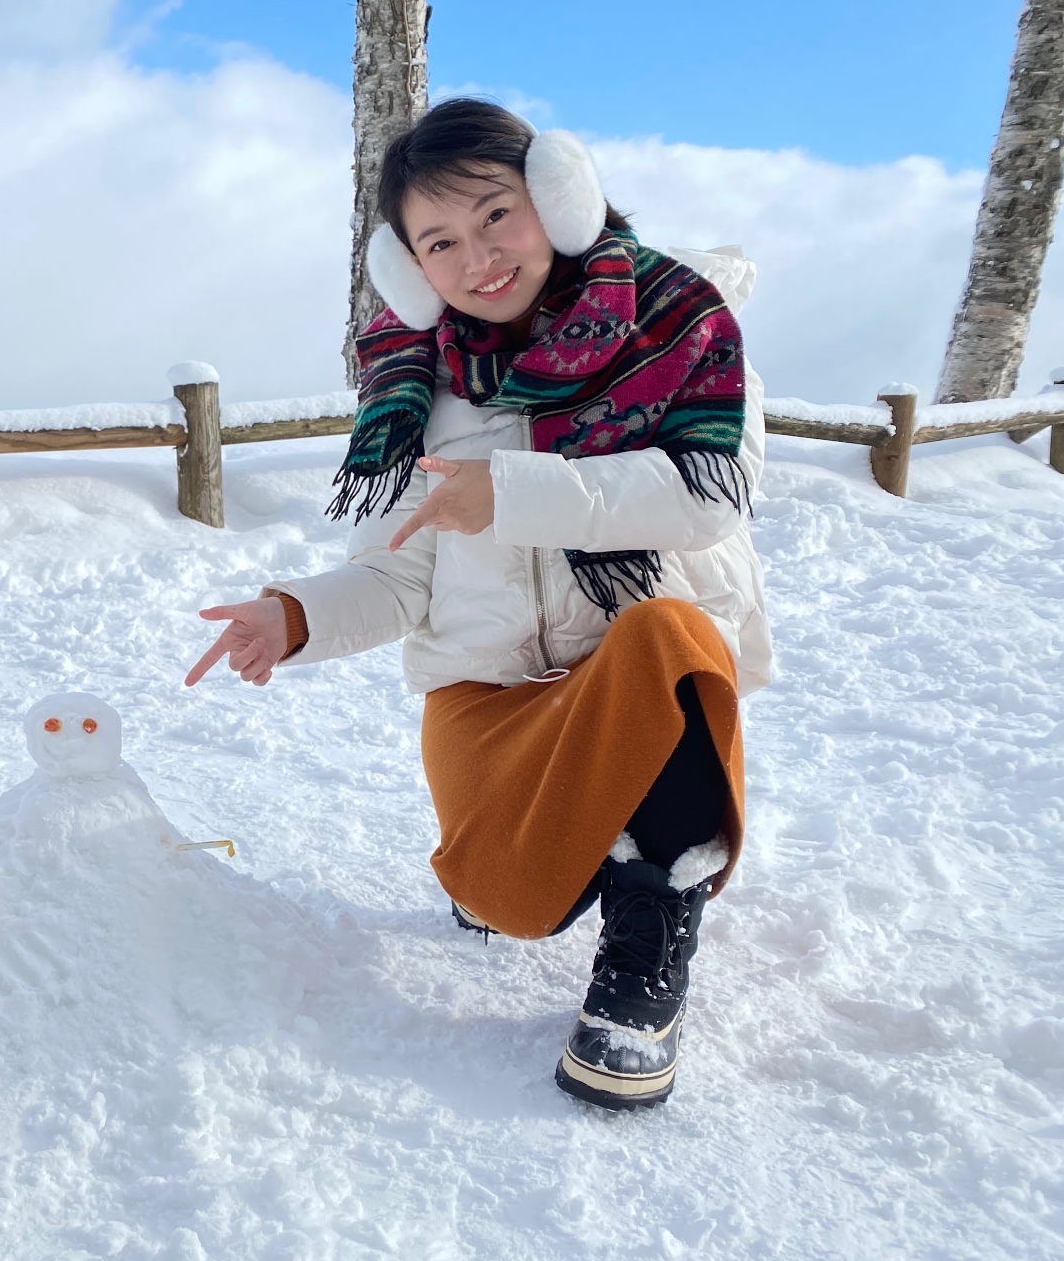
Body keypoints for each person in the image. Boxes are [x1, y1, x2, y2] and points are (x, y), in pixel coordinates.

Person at [187, 98, 770, 1111]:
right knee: (497, 889)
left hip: (621, 675)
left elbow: (705, 498)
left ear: (557, 195)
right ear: (408, 266)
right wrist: (295, 616)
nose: (477, 256)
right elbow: (396, 574)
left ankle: (640, 959)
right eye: (439, 240)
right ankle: (551, 855)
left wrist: (509, 491)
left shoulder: (685, 332)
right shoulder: (421, 393)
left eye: (496, 214)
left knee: (668, 634)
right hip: (488, 698)